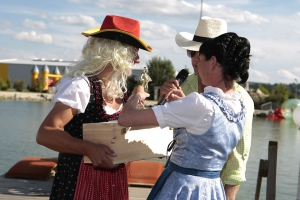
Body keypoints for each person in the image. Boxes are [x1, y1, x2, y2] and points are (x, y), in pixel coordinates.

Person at [118, 32, 251, 200]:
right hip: (212, 188)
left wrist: (137, 94)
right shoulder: (240, 105)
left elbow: (126, 119)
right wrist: (185, 103)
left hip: (184, 187)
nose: (197, 64)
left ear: (213, 62)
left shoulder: (198, 104)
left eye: (201, 59)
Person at [36, 14, 153, 200]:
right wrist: (88, 148)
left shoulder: (119, 92)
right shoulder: (81, 86)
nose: (138, 59)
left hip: (113, 183)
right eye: (134, 51)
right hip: (78, 181)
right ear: (117, 51)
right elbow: (46, 133)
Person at [160, 16, 254, 199]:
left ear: (214, 59)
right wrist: (164, 103)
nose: (195, 59)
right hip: (176, 181)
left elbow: (235, 166)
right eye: (191, 52)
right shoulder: (184, 84)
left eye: (200, 53)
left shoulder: (242, 100)